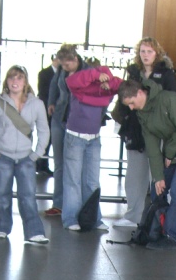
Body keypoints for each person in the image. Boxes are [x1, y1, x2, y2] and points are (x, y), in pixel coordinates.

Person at [119, 78, 176, 250]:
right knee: (157, 189)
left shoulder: (169, 99)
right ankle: (157, 230)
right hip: (173, 150)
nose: (131, 108)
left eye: (131, 103)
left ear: (140, 93)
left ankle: (171, 236)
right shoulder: (142, 113)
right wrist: (158, 177)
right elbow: (152, 147)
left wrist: (169, 153)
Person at [0, 65, 50, 246]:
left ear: (25, 82)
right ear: (6, 81)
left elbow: (44, 130)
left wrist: (37, 154)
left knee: (28, 196)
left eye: (19, 77)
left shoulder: (37, 104)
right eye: (11, 77)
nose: (15, 81)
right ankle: (2, 228)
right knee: (2, 195)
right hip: (2, 156)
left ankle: (34, 232)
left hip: (26, 157)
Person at [116, 37, 176, 228]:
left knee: (159, 175)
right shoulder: (133, 73)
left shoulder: (166, 74)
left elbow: (172, 100)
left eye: (149, 51)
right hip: (136, 128)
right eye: (142, 51)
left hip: (158, 129)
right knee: (135, 175)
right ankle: (133, 216)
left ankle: (161, 217)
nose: (145, 55)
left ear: (156, 53)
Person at [60, 62, 122, 232]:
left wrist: (107, 80)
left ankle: (93, 218)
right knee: (73, 181)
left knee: (92, 181)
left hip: (94, 138)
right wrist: (96, 75)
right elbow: (71, 81)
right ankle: (70, 218)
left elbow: (120, 84)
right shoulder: (79, 84)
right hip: (75, 137)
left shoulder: (104, 88)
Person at [44, 44, 87, 216]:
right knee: (59, 163)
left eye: (67, 64)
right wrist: (51, 102)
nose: (65, 68)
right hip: (59, 118)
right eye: (62, 65)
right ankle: (59, 203)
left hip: (78, 121)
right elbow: (54, 85)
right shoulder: (62, 71)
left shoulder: (88, 71)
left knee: (76, 165)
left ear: (75, 59)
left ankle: (76, 205)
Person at [35, 55, 59, 174]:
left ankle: (43, 164)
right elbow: (42, 92)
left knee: (53, 139)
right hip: (46, 110)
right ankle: (40, 164)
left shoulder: (63, 74)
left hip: (58, 111)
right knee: (45, 138)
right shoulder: (44, 73)